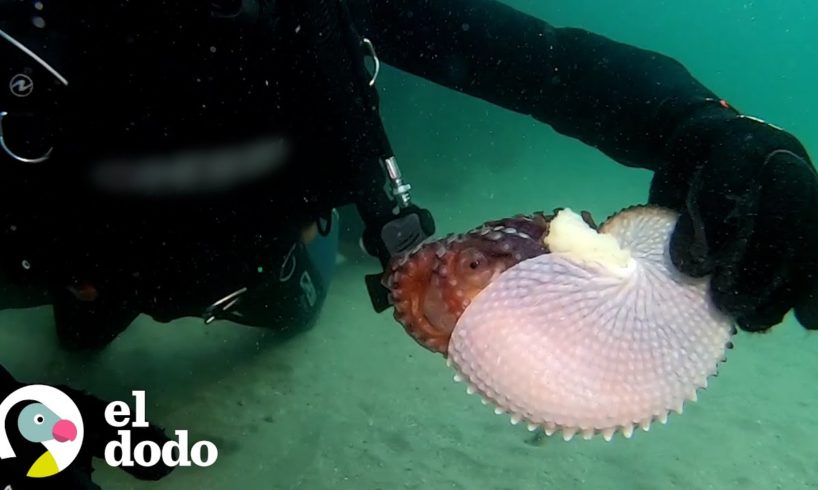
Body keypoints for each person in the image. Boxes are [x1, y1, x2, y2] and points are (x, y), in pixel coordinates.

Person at [0, 0, 816, 487]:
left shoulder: (310, 10)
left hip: (262, 269)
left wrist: (704, 126)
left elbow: (543, 62)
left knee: (295, 310)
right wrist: (34, 426)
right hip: (53, 269)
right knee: (73, 345)